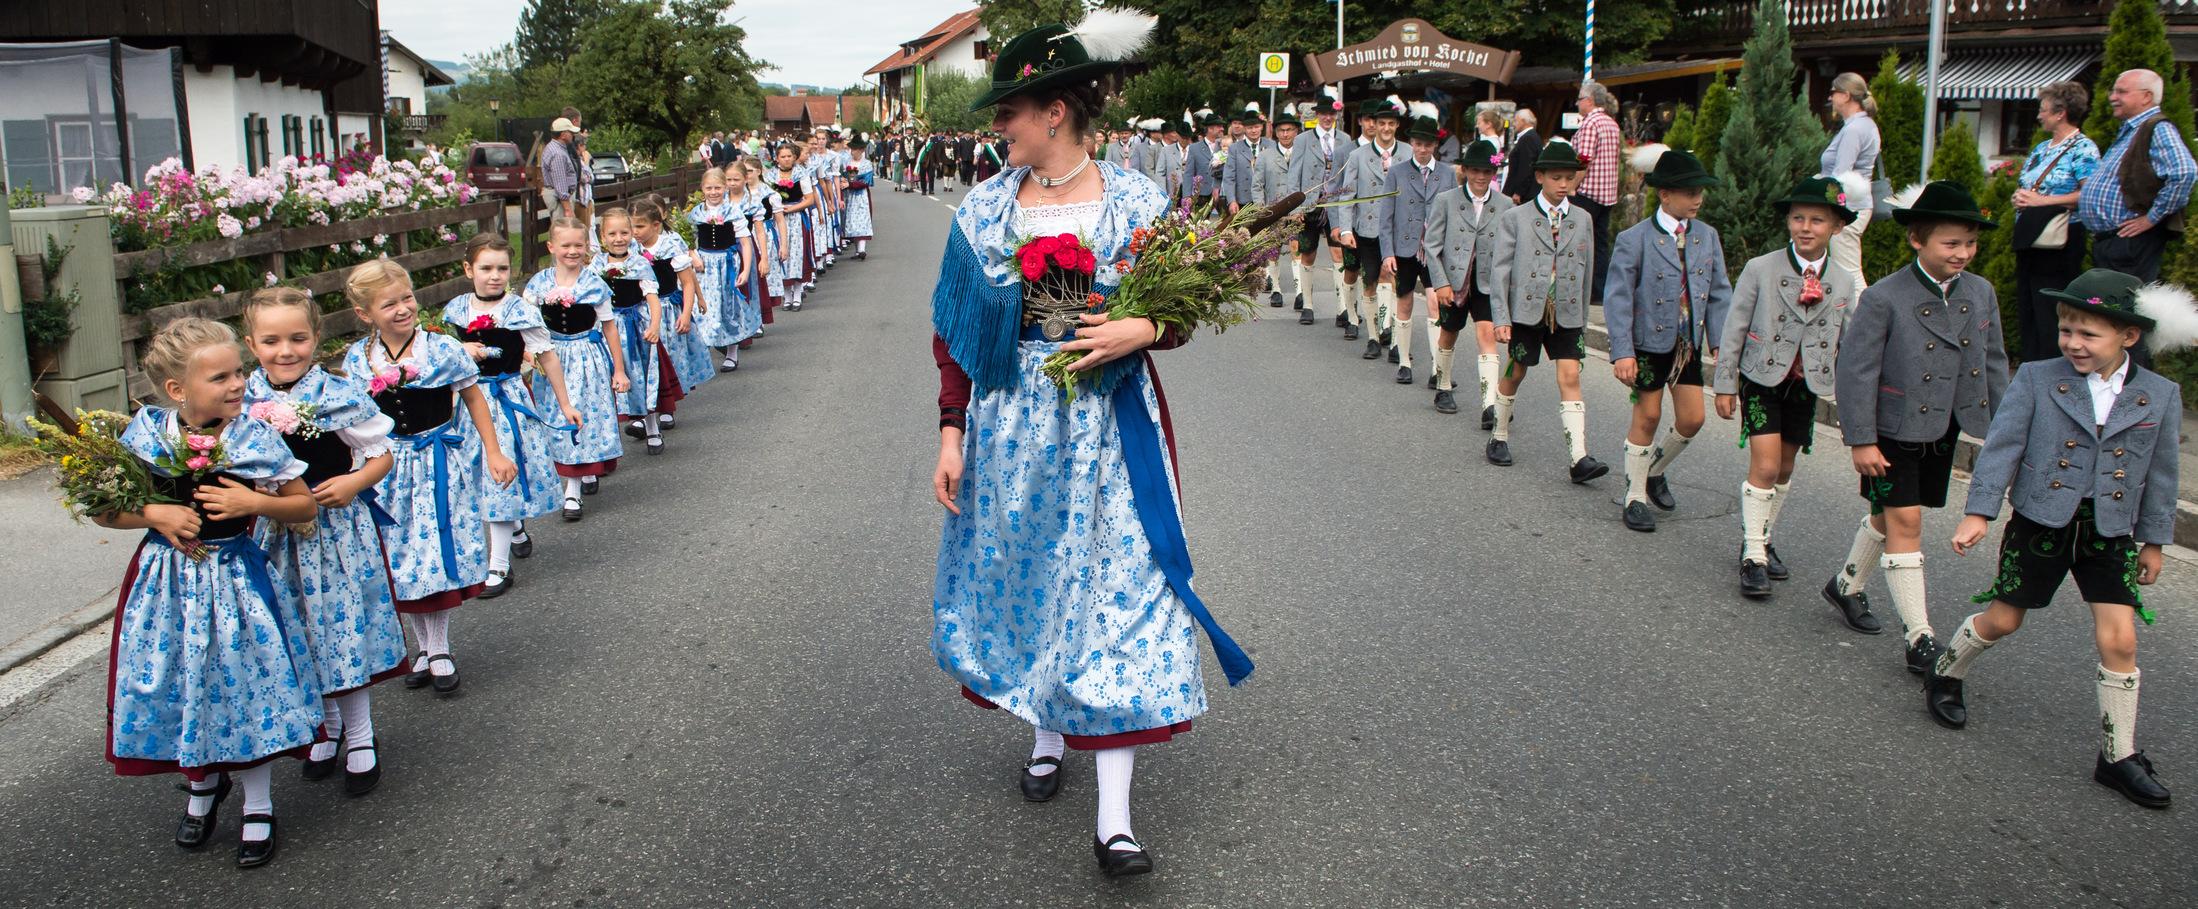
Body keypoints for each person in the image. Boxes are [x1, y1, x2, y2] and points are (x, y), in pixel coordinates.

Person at [929, 12, 1251, 877]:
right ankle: (1046, 729)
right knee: (1036, 575)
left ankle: (1115, 819)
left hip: (1110, 426)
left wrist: (1140, 325)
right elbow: (955, 335)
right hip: (1014, 430)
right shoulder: (988, 206)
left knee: (1120, 586)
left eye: (1011, 111)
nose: (999, 127)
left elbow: (1183, 307)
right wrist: (952, 430)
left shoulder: (1138, 200)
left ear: (1056, 112)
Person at [1937, 268, 2184, 809]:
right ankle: (1947, 670)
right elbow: (2001, 448)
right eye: (2066, 329)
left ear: (2129, 337)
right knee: (2003, 620)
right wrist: (1979, 512)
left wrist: (2154, 542)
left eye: (2088, 334)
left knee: (2120, 639)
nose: (2073, 342)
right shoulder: (2039, 378)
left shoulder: (2161, 395)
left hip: (2110, 531)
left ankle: (2118, 755)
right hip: (2040, 522)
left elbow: (2162, 475)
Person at [103, 317, 322, 868]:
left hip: (235, 580)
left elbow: (304, 505)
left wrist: (256, 505)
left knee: (246, 686)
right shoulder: (146, 434)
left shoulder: (253, 435)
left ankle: (257, 802)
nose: (237, 384)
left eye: (239, 371)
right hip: (167, 587)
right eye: (220, 376)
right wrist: (152, 512)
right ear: (177, 390)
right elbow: (104, 509)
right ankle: (203, 784)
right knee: (187, 684)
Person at [1826, 181, 2007, 673]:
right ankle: (1920, 638)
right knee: (1907, 522)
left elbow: (1993, 363)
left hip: (1943, 424)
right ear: (1917, 240)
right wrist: (1860, 439)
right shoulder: (1884, 297)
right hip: (1890, 428)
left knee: (1891, 515)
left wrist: (2005, 429)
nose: (1963, 253)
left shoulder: (1981, 293)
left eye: (1970, 243)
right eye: (1951, 244)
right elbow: (1855, 372)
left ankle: (1845, 585)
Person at [241, 290, 405, 796]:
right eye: (271, 341)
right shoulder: (242, 399)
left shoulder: (339, 394)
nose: (285, 350)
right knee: (296, 630)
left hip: (333, 530)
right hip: (272, 531)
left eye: (298, 338)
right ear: (251, 344)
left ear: (317, 338)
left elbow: (382, 454)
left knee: (337, 628)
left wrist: (354, 483)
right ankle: (325, 724)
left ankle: (359, 733)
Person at [343, 260, 515, 695]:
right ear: (365, 314)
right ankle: (423, 647)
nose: (403, 308)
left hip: (437, 461)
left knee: (433, 554)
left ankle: (437, 647)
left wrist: (493, 451)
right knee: (401, 557)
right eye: (389, 304)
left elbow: (474, 399)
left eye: (407, 298)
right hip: (386, 466)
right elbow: (354, 418)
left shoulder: (441, 349)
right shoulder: (358, 358)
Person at [1712, 177, 1862, 599]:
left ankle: (1760, 535)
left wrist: (1855, 402)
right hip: (1761, 378)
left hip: (1806, 384)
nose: (1806, 227)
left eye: (1817, 219)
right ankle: (1753, 557)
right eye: (1798, 218)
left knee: (1784, 468)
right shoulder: (1762, 268)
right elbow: (1736, 326)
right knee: (1763, 465)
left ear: (1835, 227)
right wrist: (1724, 383)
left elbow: (1850, 346)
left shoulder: (1846, 282)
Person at [446, 234, 582, 597]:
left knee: (500, 475)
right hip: (468, 403)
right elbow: (441, 357)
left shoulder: (518, 310)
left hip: (505, 399)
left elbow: (546, 354)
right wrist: (459, 348)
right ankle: (516, 529)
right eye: (486, 268)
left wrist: (565, 403)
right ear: (468, 269)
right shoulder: (457, 309)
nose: (495, 276)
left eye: (502, 268)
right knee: (476, 474)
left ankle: (498, 565)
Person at [1604, 149, 1729, 534]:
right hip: (1647, 344)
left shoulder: (1706, 236)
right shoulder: (1634, 239)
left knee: (1693, 418)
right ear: (1664, 195)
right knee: (1649, 415)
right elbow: (1619, 297)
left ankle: (1654, 470)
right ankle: (1635, 496)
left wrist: (1720, 343)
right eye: (1689, 192)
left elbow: (1720, 291)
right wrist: (1622, 351)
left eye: (1700, 192)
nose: (1697, 199)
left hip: (1686, 344)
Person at [1488, 138, 1603, 484]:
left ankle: (1578, 457)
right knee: (1515, 371)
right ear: (1539, 177)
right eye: (1556, 178)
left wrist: (1581, 319)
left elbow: (1587, 270)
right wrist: (1501, 318)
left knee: (1570, 375)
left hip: (1566, 311)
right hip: (1526, 311)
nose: (1564, 185)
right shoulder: (1516, 218)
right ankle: (1499, 434)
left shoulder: (1582, 219)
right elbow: (1500, 271)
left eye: (1570, 178)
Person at [525, 217, 626, 519]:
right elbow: (525, 325)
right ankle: (578, 473)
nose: (572, 251)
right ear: (551, 247)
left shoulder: (595, 284)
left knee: (582, 412)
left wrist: (618, 370)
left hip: (585, 355)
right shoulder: (539, 284)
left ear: (587, 247)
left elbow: (609, 328)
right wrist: (527, 354)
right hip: (551, 355)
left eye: (578, 245)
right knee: (556, 413)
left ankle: (572, 490)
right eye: (565, 245)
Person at [2012, 81, 2103, 363]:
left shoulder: (2083, 148)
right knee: (2027, 306)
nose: (2039, 115)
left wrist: (2042, 201)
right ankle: (2030, 367)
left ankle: (2052, 367)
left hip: (2060, 240)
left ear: (2060, 112)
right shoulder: (2041, 148)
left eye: (2043, 109)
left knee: (2048, 309)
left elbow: (2089, 193)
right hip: (2030, 236)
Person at [2078, 68, 2196, 283]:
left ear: (2146, 97)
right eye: (2113, 91)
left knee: (2122, 309)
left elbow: (2184, 172)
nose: (2113, 97)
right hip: (2115, 243)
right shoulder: (2133, 129)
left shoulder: (2157, 128)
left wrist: (2151, 218)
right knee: (2110, 310)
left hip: (2130, 245)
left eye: (2121, 92)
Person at [1422, 138, 1512, 418]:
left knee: (1487, 334)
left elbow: (1510, 250)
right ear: (1465, 171)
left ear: (1494, 174)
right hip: (1454, 280)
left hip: (1488, 281)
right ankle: (1443, 385)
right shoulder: (1446, 200)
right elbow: (1432, 246)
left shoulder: (1506, 204)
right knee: (1449, 332)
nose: (1481, 177)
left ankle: (1489, 404)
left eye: (1487, 172)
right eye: (1475, 171)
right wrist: (1441, 283)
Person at [1379, 104, 1455, 386]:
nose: (1423, 150)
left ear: (1436, 145)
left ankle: (1438, 366)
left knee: (1436, 302)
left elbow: (1454, 213)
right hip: (1406, 246)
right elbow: (1386, 216)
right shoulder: (1397, 172)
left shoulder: (1446, 174)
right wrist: (1387, 253)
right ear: (1411, 144)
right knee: (1405, 301)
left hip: (1435, 249)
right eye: (1418, 144)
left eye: (1428, 144)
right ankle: (1404, 360)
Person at [592, 208, 678, 455]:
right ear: (602, 235)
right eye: (612, 233)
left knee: (641, 377)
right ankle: (610, 435)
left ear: (631, 234)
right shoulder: (596, 265)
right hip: (608, 327)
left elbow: (652, 297)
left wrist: (653, 325)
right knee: (610, 379)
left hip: (635, 325)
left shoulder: (639, 263)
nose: (618, 238)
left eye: (624, 232)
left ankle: (651, 426)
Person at [1336, 96, 1407, 352]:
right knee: (1370, 280)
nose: (1386, 129)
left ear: (1397, 125)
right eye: (1382, 124)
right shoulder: (1357, 156)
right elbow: (1347, 195)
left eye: (1391, 124)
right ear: (1374, 125)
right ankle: (1374, 336)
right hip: (1367, 228)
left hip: (1400, 230)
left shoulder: (1408, 153)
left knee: (1395, 278)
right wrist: (1345, 229)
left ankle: (1395, 335)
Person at [631, 198, 713, 404]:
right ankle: (648, 410)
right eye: (631, 227)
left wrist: (686, 313)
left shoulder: (669, 246)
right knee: (646, 359)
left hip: (667, 309)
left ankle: (667, 406)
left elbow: (687, 282)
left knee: (668, 357)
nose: (635, 232)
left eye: (640, 226)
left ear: (656, 225)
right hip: (640, 312)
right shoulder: (630, 249)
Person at [691, 167, 759, 370]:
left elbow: (745, 243)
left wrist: (745, 270)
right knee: (701, 307)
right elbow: (687, 239)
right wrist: (693, 255)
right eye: (709, 188)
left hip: (726, 263)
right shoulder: (696, 212)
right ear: (702, 188)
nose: (713, 192)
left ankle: (732, 351)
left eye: (718, 188)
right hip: (703, 266)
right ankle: (706, 345)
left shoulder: (732, 211)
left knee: (727, 307)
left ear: (725, 188)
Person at [1294, 88, 1351, 327]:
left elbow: (1350, 173)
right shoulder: (1303, 140)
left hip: (1336, 203)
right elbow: (1294, 174)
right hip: (1310, 203)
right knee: (1308, 252)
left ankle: (1343, 308)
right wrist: (1294, 207)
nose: (1327, 118)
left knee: (1339, 252)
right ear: (1317, 115)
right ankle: (1307, 304)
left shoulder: (1345, 140)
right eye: (1323, 114)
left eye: (1331, 114)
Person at [1818, 72, 1881, 288]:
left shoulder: (1854, 129)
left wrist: (1826, 206)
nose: (1830, 98)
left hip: (1848, 208)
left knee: (1848, 273)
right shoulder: (1864, 125)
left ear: (1845, 95)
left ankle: (1864, 321)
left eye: (1833, 93)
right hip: (1853, 206)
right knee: (1843, 271)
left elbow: (1841, 175)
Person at [1570, 82, 1622, 305]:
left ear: (1589, 100)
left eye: (1580, 99)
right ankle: (1599, 292)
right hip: (1608, 193)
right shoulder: (1612, 123)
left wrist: (1572, 185)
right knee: (1600, 244)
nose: (1578, 104)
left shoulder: (1590, 123)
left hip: (1588, 192)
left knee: (1579, 242)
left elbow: (1584, 159)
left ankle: (1583, 289)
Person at [541, 117, 584, 219]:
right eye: (570, 132)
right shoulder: (558, 154)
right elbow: (560, 183)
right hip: (560, 201)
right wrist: (568, 209)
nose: (572, 135)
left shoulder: (553, 147)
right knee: (563, 231)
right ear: (563, 135)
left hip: (559, 199)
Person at [1183, 110, 1227, 208]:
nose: (1222, 129)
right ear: (1210, 128)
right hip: (1202, 195)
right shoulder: (1194, 148)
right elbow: (1188, 173)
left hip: (1223, 193)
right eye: (1219, 126)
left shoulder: (1226, 145)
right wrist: (1187, 195)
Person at [1501, 109, 1543, 204]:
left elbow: (1526, 167)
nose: (1514, 124)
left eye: (1516, 120)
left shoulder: (1528, 138)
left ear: (1524, 121)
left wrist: (1519, 192)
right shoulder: (1531, 136)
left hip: (1525, 194)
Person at [844, 139, 876, 259]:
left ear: (861, 150)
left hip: (861, 195)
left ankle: (862, 249)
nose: (853, 151)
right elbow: (842, 176)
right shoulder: (847, 162)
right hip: (849, 195)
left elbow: (867, 181)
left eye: (855, 149)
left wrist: (851, 184)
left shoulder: (866, 164)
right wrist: (844, 182)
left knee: (862, 219)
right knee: (852, 220)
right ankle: (857, 250)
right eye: (852, 149)